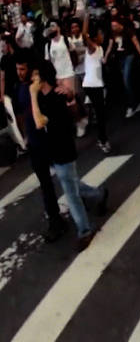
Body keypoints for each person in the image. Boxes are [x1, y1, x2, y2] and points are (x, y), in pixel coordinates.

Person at [30, 60, 107, 251]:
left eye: (35, 75)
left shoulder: (55, 97)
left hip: (63, 149)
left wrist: (33, 95)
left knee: (71, 193)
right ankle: (99, 194)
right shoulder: (43, 96)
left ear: (43, 77)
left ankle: (85, 231)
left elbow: (39, 122)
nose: (32, 79)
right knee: (72, 184)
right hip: (51, 150)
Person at [14, 51, 67, 242]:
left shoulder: (40, 87)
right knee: (46, 184)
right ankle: (55, 221)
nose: (19, 72)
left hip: (49, 141)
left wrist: (67, 92)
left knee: (67, 178)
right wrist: (24, 136)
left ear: (30, 68)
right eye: (17, 69)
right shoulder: (21, 88)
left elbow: (55, 106)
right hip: (34, 145)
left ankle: (95, 194)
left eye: (22, 69)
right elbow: (21, 113)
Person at [104, 17, 140, 118]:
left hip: (129, 56)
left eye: (115, 26)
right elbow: (110, 47)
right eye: (112, 26)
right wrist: (105, 57)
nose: (113, 28)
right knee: (128, 82)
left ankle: (132, 105)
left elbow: (136, 44)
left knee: (126, 80)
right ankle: (137, 102)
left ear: (119, 24)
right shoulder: (113, 34)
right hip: (120, 58)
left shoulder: (127, 31)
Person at [82, 14, 110, 153]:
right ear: (94, 37)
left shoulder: (100, 48)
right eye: (100, 34)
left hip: (97, 84)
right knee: (101, 114)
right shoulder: (92, 47)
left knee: (101, 113)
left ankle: (102, 138)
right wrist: (86, 19)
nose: (102, 36)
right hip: (91, 85)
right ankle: (103, 140)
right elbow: (83, 34)